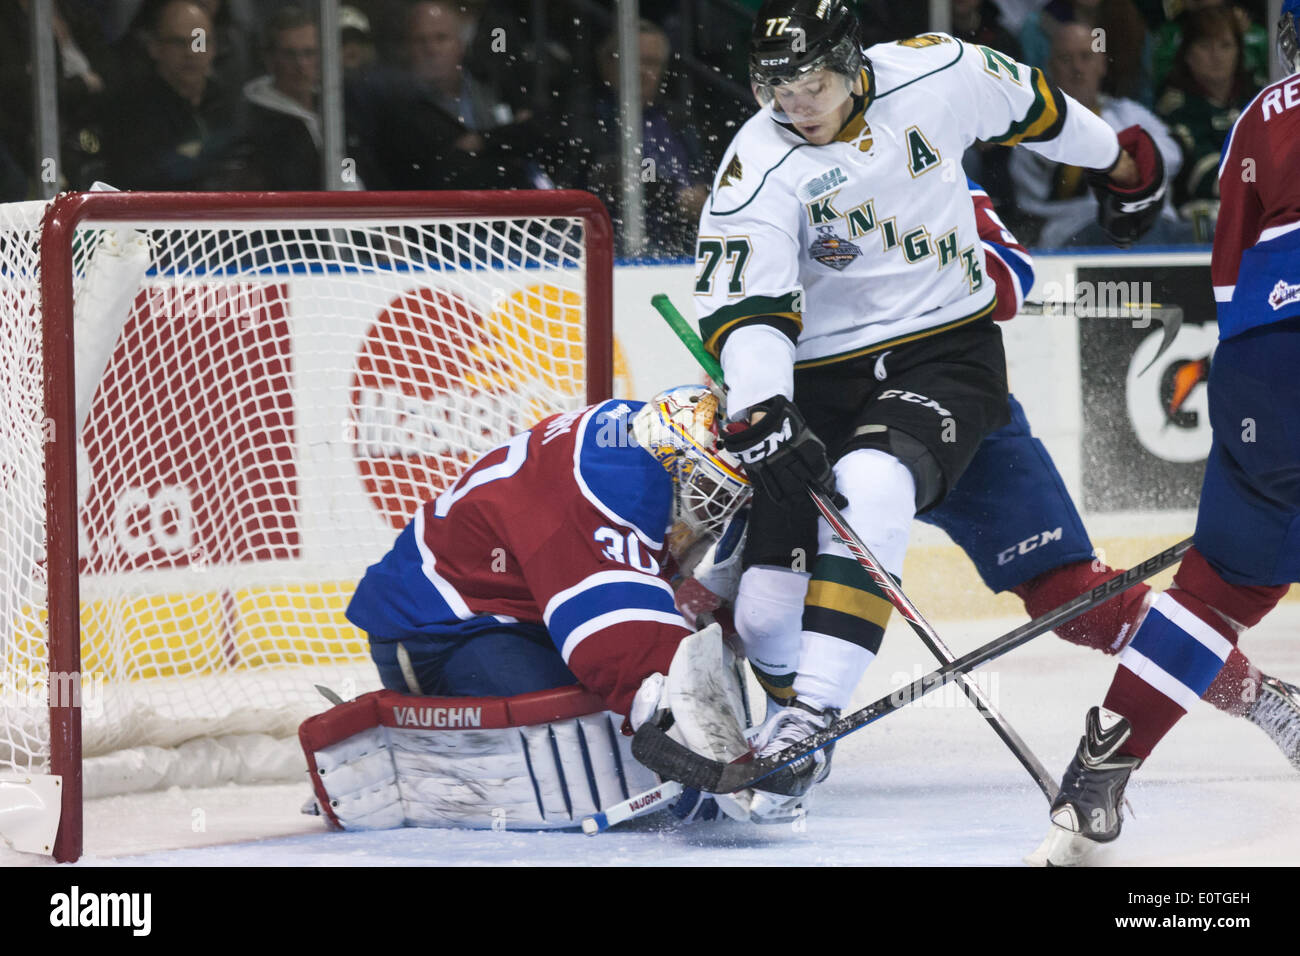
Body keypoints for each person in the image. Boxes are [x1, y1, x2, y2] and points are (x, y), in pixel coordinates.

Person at [691, 0, 1167, 820]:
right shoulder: (755, 166)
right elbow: (750, 314)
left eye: (811, 84)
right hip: (820, 386)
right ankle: (782, 712)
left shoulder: (937, 71)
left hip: (944, 354)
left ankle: (808, 725)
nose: (795, 105)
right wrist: (765, 411)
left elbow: (1038, 109)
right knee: (768, 611)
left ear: (851, 65)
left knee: (872, 484)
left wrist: (1124, 163)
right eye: (776, 88)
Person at [1029, 0, 1300, 866]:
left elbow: (1228, 265)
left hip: (1261, 356)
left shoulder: (1262, 112)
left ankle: (1100, 775)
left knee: (1213, 598)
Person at [338, 386, 754, 824]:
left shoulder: (644, 437)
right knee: (569, 729)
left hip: (529, 604)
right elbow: (626, 647)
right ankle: (433, 748)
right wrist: (713, 750)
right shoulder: (603, 486)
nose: (716, 511)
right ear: (674, 462)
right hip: (441, 628)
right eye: (709, 487)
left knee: (657, 684)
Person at [1009, 21, 1188, 247]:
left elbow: (1174, 157)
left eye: (1086, 57)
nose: (1077, 68)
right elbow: (1031, 203)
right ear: (1050, 68)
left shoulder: (1129, 114)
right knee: (1128, 234)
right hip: (1076, 230)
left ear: (1102, 64)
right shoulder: (1035, 128)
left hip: (1154, 222)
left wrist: (1120, 159)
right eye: (1065, 59)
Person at [1156, 5, 1261, 240]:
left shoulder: (1259, 99)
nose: (1216, 56)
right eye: (1205, 46)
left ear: (1239, 52)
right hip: (1199, 224)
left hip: (1260, 208)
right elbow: (1201, 175)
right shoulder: (1176, 109)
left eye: (1225, 46)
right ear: (1188, 54)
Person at [239, 6, 328, 190]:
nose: (301, 65)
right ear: (270, 59)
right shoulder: (253, 125)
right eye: (290, 54)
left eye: (309, 53)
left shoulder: (337, 109)